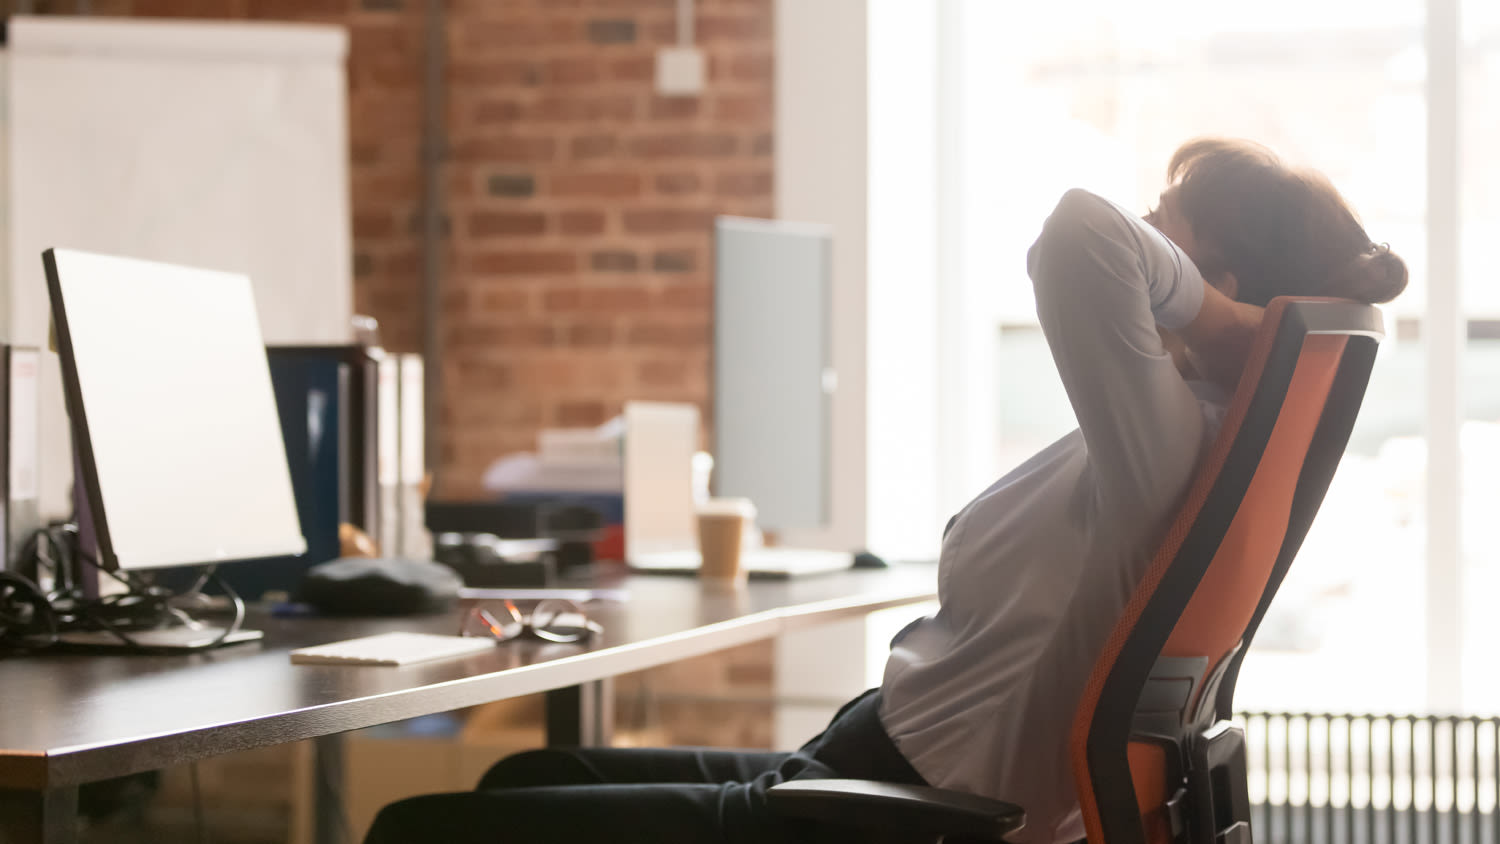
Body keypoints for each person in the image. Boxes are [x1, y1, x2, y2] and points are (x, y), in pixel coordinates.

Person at [363, 138, 1408, 844]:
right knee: (514, 787)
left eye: (1163, 219)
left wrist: (1223, 324)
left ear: (1213, 274)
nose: (1141, 225)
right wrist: (1222, 326)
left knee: (424, 827)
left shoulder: (1171, 444)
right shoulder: (1190, 437)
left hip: (902, 804)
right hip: (880, 759)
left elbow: (1080, 235)